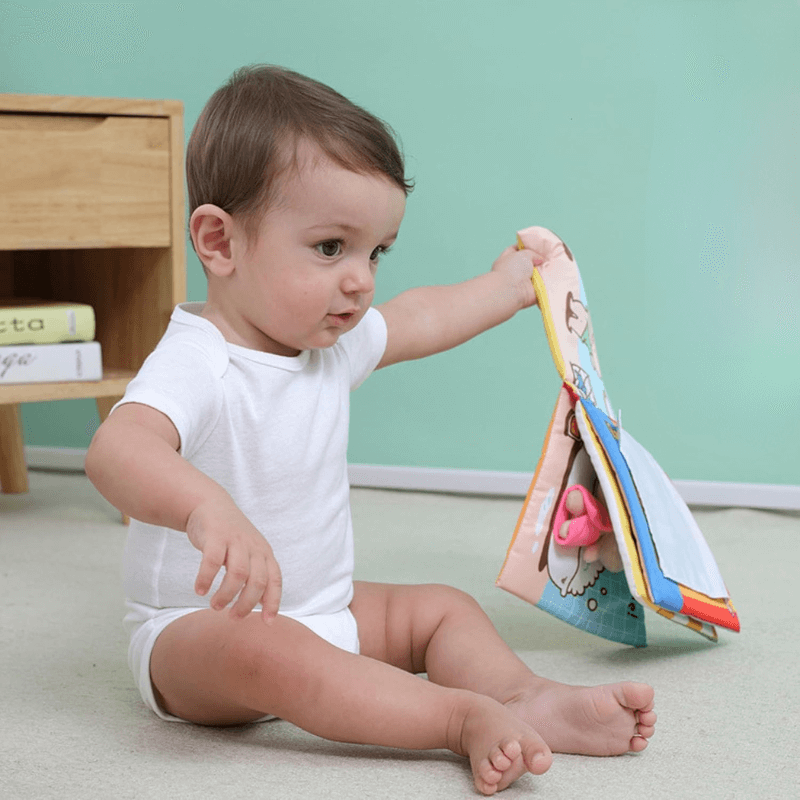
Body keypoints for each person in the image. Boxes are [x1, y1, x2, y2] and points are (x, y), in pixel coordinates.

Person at [85, 65, 655, 796]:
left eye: (375, 252)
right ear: (220, 243)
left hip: (326, 607)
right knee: (271, 651)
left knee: (442, 609)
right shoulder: (200, 360)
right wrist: (206, 506)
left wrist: (513, 285)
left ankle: (523, 696)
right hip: (198, 635)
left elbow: (421, 317)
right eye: (331, 248)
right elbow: (116, 449)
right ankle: (454, 720)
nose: (360, 280)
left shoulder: (327, 341)